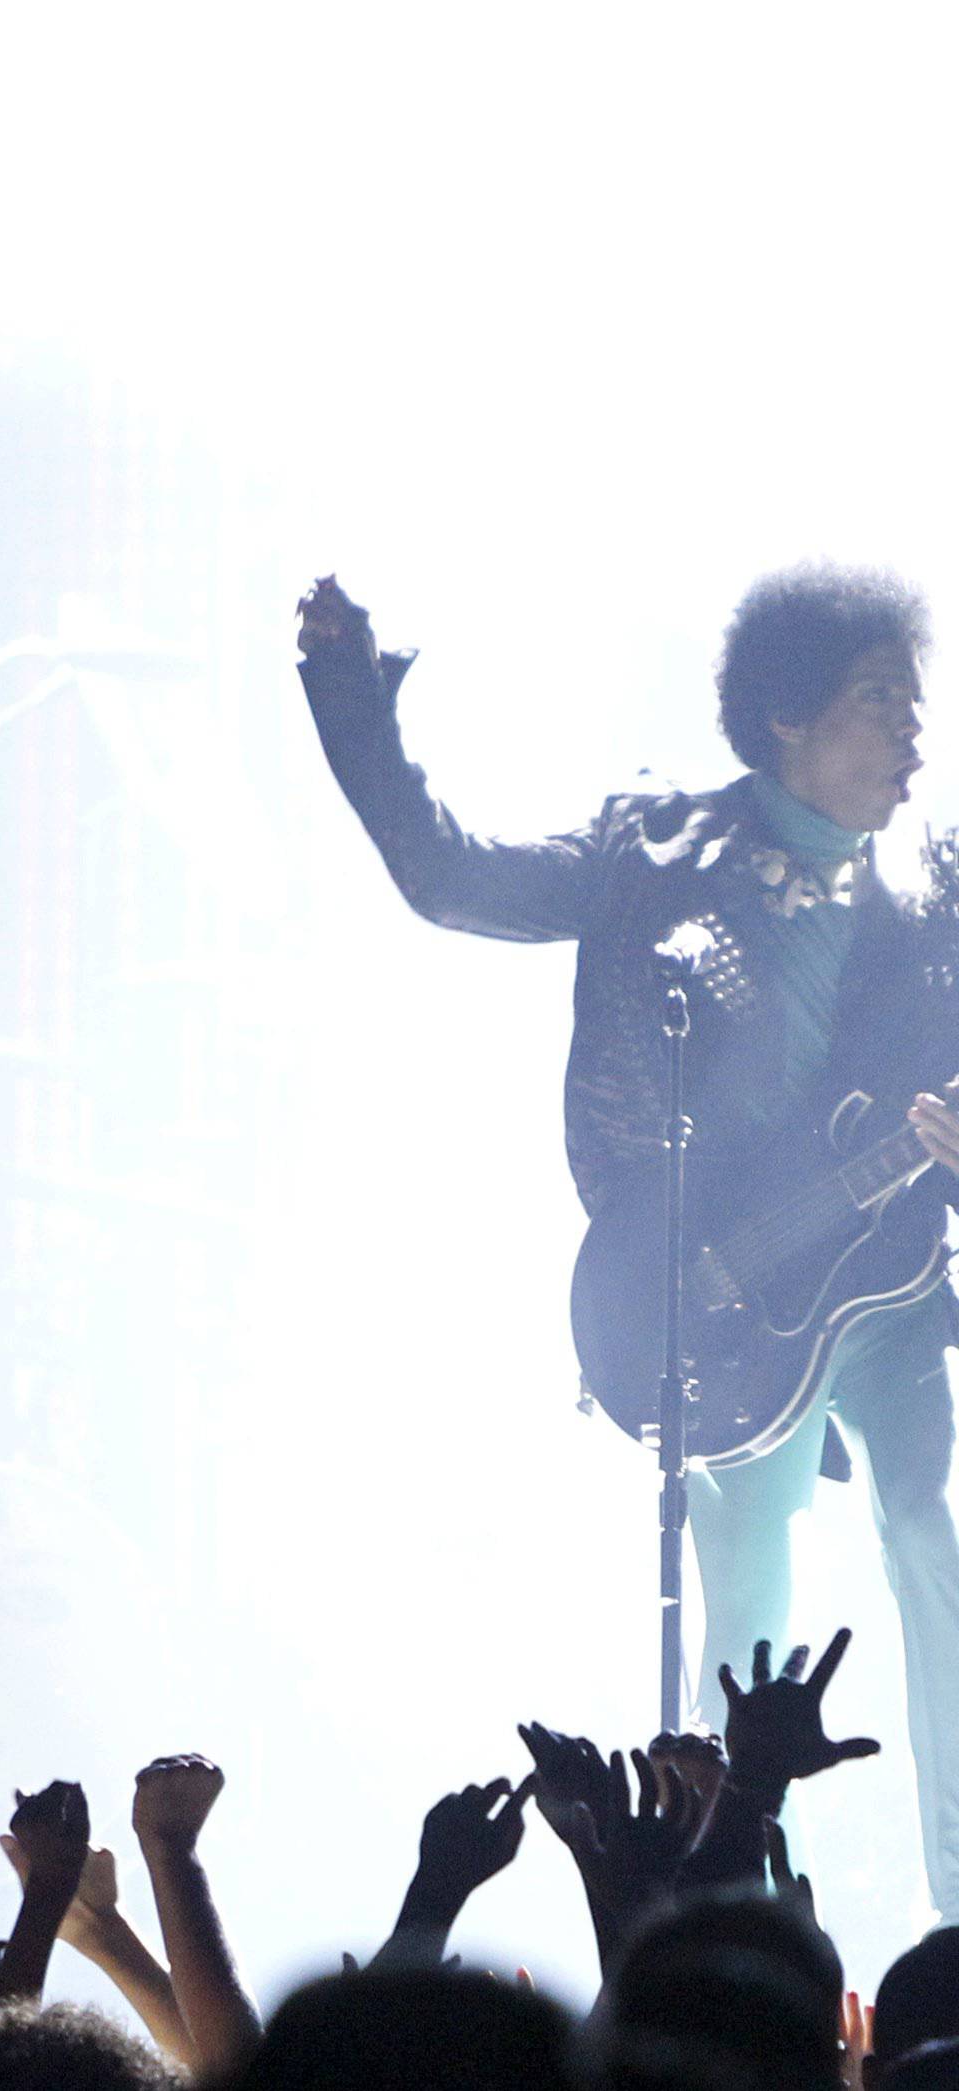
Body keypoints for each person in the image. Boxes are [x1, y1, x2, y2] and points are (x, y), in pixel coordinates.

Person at [296, 565, 959, 1919]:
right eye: (878, 702)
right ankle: (729, 1935)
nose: (913, 735)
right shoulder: (648, 855)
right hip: (708, 1298)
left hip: (889, 1286)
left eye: (918, 703)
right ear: (784, 717)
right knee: (753, 1616)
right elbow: (449, 878)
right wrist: (356, 706)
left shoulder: (933, 909)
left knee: (930, 1531)